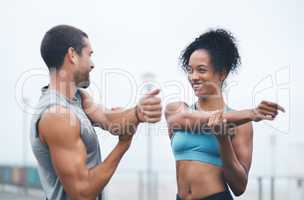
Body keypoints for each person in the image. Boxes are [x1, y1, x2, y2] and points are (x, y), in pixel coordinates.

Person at [30, 25, 162, 200]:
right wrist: (123, 145)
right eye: (89, 54)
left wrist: (138, 112)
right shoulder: (57, 115)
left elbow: (110, 120)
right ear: (72, 55)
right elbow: (82, 193)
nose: (92, 64)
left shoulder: (79, 99)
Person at [165, 29, 285, 200]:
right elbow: (187, 119)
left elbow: (239, 187)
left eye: (201, 70)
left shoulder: (242, 124)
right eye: (190, 70)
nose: (194, 77)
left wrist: (223, 139)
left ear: (222, 73)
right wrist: (251, 113)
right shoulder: (176, 109)